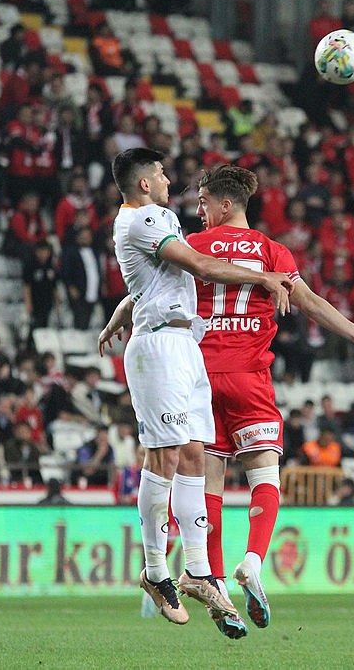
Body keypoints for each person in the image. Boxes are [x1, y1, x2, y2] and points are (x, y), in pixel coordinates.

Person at [99, 160, 354, 635]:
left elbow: (152, 286)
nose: (199, 210)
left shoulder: (192, 244)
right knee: (264, 470)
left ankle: (213, 582)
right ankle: (252, 560)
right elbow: (311, 304)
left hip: (199, 372)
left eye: (205, 202)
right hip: (251, 375)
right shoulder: (273, 253)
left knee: (203, 480)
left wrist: (115, 317)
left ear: (225, 202)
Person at [97, 149, 293, 626]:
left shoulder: (156, 221)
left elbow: (154, 285)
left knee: (193, 455)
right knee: (162, 456)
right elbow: (201, 268)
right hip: (161, 345)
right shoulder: (144, 220)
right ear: (145, 183)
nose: (168, 179)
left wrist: (116, 316)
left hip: (187, 345)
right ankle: (155, 569)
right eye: (161, 173)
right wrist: (264, 276)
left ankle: (200, 573)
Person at [4, 420, 43, 486]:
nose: (22, 433)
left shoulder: (34, 447)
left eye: (25, 431)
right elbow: (12, 461)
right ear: (16, 433)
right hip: (15, 474)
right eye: (20, 431)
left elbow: (35, 463)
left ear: (30, 433)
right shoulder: (10, 446)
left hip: (32, 475)